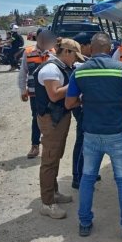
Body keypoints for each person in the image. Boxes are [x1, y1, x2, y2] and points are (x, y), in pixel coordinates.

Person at [66, 33, 122, 241]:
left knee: (87, 178)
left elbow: (69, 103)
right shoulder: (121, 69)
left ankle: (84, 223)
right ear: (109, 49)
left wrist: (84, 100)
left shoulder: (80, 72)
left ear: (91, 48)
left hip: (91, 133)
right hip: (118, 133)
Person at [33, 37, 85, 219]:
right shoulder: (50, 69)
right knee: (49, 159)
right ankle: (47, 203)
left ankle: (53, 192)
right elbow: (54, 95)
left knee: (56, 155)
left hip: (60, 117)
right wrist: (75, 84)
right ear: (66, 52)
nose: (76, 60)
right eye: (75, 56)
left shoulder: (63, 68)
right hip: (51, 119)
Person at [18, 29, 55, 159]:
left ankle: (50, 146)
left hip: (52, 93)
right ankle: (35, 145)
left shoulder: (54, 52)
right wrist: (23, 90)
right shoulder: (28, 52)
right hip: (35, 94)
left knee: (52, 118)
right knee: (37, 118)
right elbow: (23, 73)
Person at [70, 32, 96, 189]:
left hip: (84, 106)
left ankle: (86, 172)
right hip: (81, 107)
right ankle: (77, 176)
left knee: (88, 141)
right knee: (82, 141)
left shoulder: (86, 61)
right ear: (84, 47)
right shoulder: (79, 64)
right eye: (90, 46)